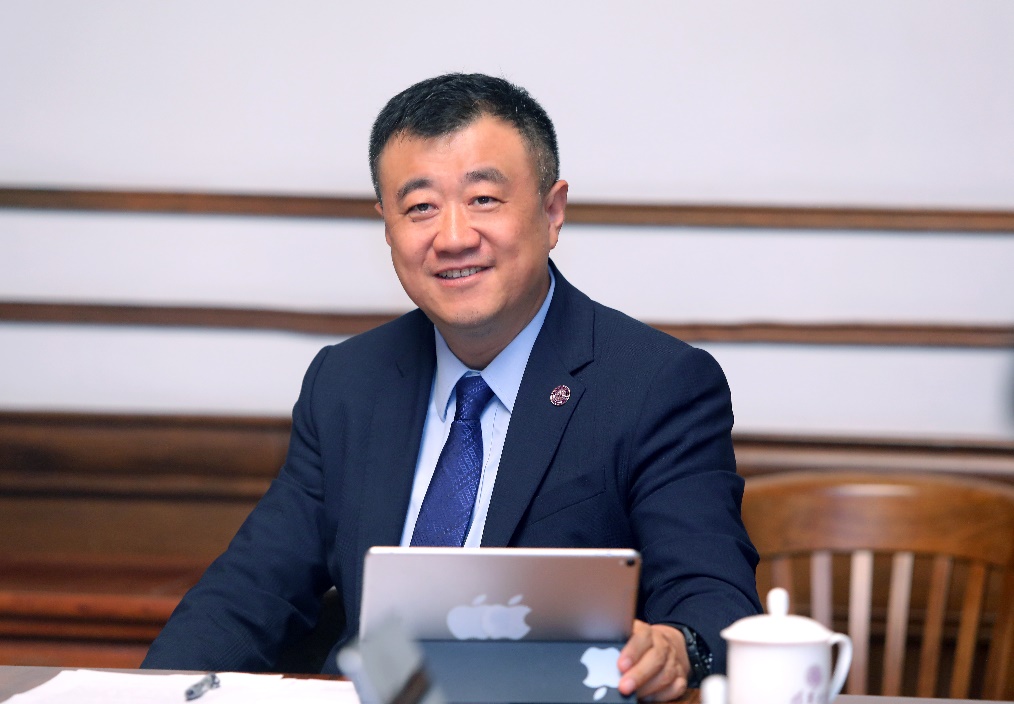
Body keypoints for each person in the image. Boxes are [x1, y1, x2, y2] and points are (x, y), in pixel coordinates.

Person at [142, 73, 761, 700]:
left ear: (552, 212)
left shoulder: (655, 385)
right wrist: (146, 693)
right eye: (420, 208)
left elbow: (714, 600)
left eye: (484, 199)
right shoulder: (348, 383)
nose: (454, 237)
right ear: (387, 227)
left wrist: (677, 646)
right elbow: (251, 592)